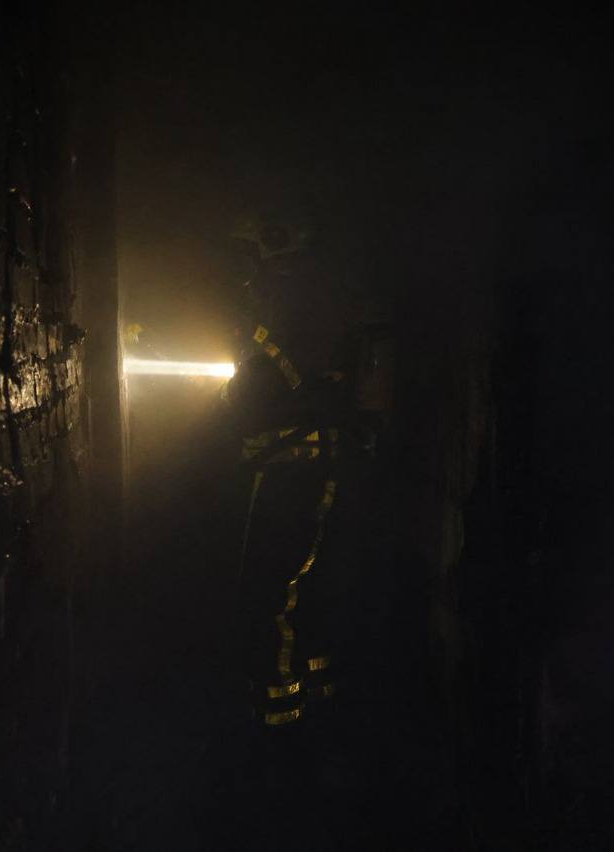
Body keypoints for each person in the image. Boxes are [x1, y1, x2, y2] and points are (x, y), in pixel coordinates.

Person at [223, 210, 391, 727]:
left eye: (251, 251)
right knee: (308, 581)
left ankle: (279, 711)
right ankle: (317, 696)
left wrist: (236, 400)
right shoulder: (320, 301)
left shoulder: (287, 305)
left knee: (271, 584)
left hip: (293, 466)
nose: (245, 267)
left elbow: (263, 391)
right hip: (308, 462)